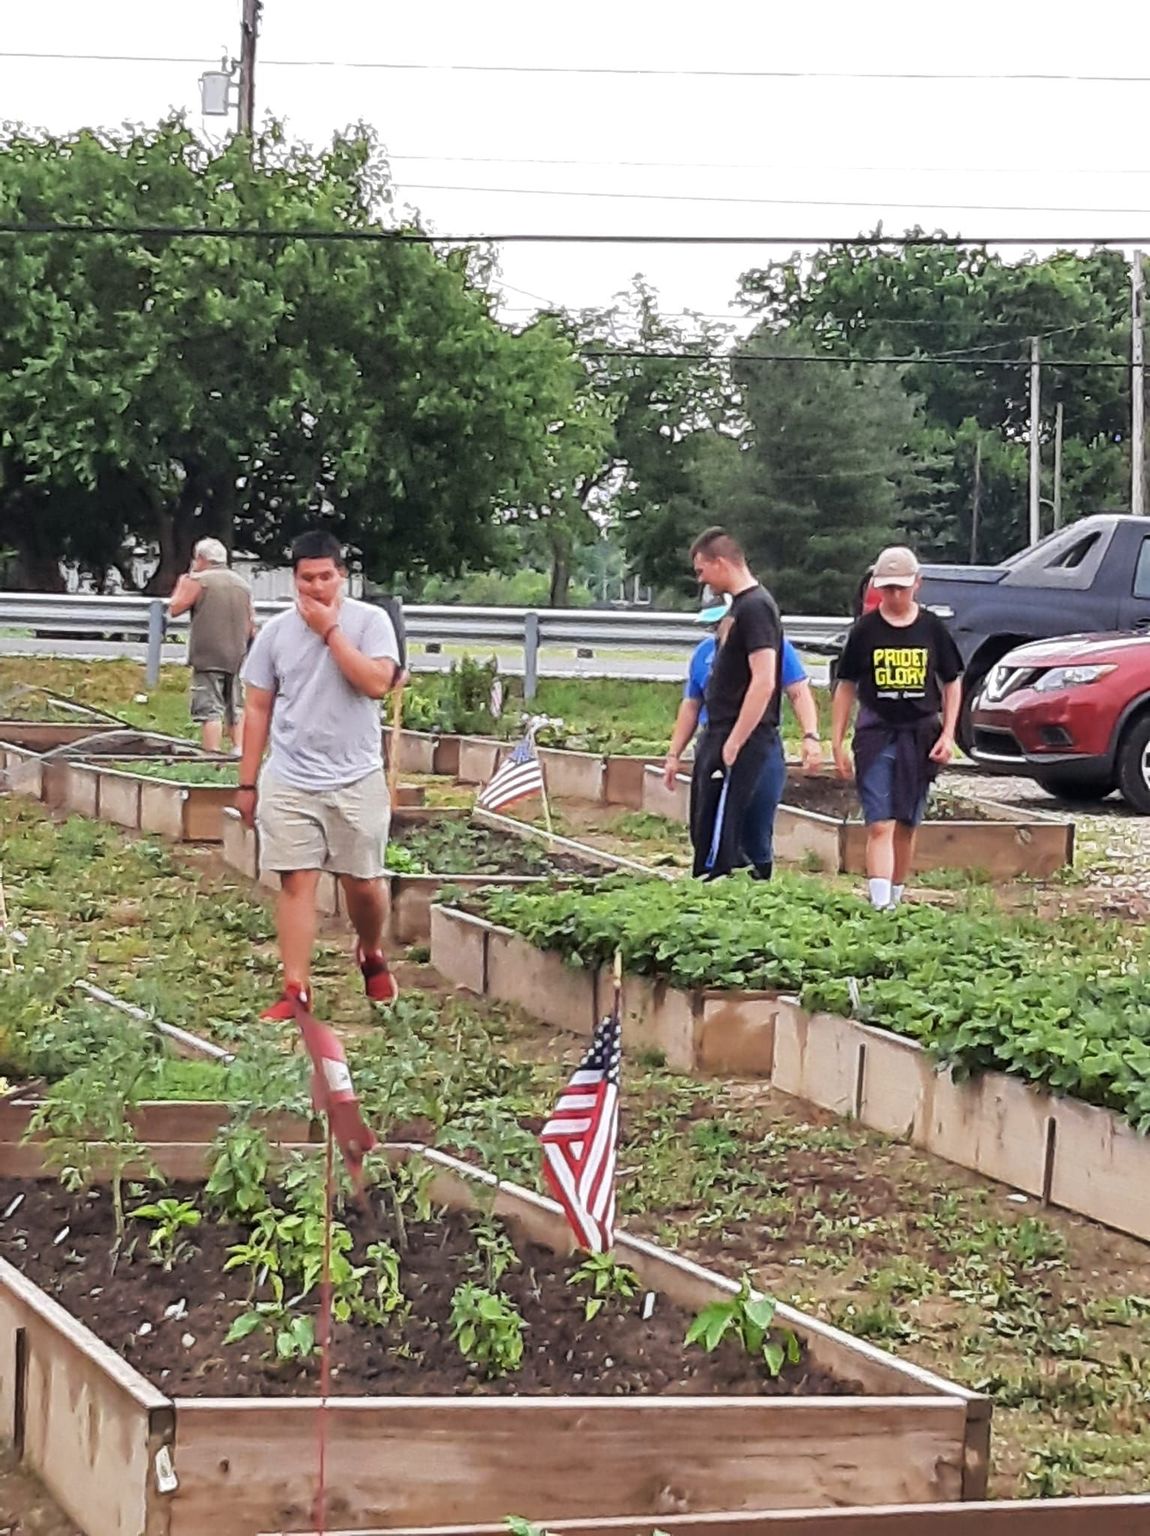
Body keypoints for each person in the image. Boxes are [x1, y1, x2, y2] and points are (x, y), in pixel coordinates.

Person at [237, 530, 403, 1020]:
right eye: (307, 579)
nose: (316, 587)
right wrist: (247, 782)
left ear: (342, 575)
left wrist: (331, 631)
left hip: (356, 775)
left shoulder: (369, 623)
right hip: (290, 776)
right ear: (294, 579)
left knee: (364, 884)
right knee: (296, 881)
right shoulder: (275, 633)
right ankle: (295, 988)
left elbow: (376, 683)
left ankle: (370, 951)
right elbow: (257, 706)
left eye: (326, 577)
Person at [831, 544, 963, 911]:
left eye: (901, 588)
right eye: (887, 588)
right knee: (879, 823)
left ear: (917, 584)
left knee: (906, 824)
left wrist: (949, 733)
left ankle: (897, 897)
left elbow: (952, 681)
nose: (893, 595)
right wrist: (837, 740)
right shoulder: (865, 630)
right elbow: (846, 686)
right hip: (876, 732)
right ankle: (880, 906)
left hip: (920, 734)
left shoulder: (932, 628)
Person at [663, 595, 823, 879]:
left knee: (754, 829)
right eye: (711, 626)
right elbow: (691, 705)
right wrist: (674, 754)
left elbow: (799, 692)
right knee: (708, 826)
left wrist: (810, 736)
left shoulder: (771, 648)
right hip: (714, 743)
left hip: (759, 745)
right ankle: (711, 887)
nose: (717, 631)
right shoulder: (704, 654)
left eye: (721, 623)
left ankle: (756, 893)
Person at [684, 528, 783, 880]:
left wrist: (736, 740)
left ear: (721, 563)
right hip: (719, 730)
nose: (702, 581)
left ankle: (731, 900)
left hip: (740, 736)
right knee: (704, 824)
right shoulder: (739, 608)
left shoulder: (756, 607)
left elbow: (764, 679)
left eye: (702, 571)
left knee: (724, 837)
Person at [168, 538, 255, 754]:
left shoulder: (199, 581)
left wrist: (183, 581)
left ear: (201, 558)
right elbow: (251, 621)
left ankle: (212, 753)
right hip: (237, 653)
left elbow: (175, 608)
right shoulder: (241, 584)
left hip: (208, 655)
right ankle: (238, 749)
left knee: (210, 707)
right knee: (235, 705)